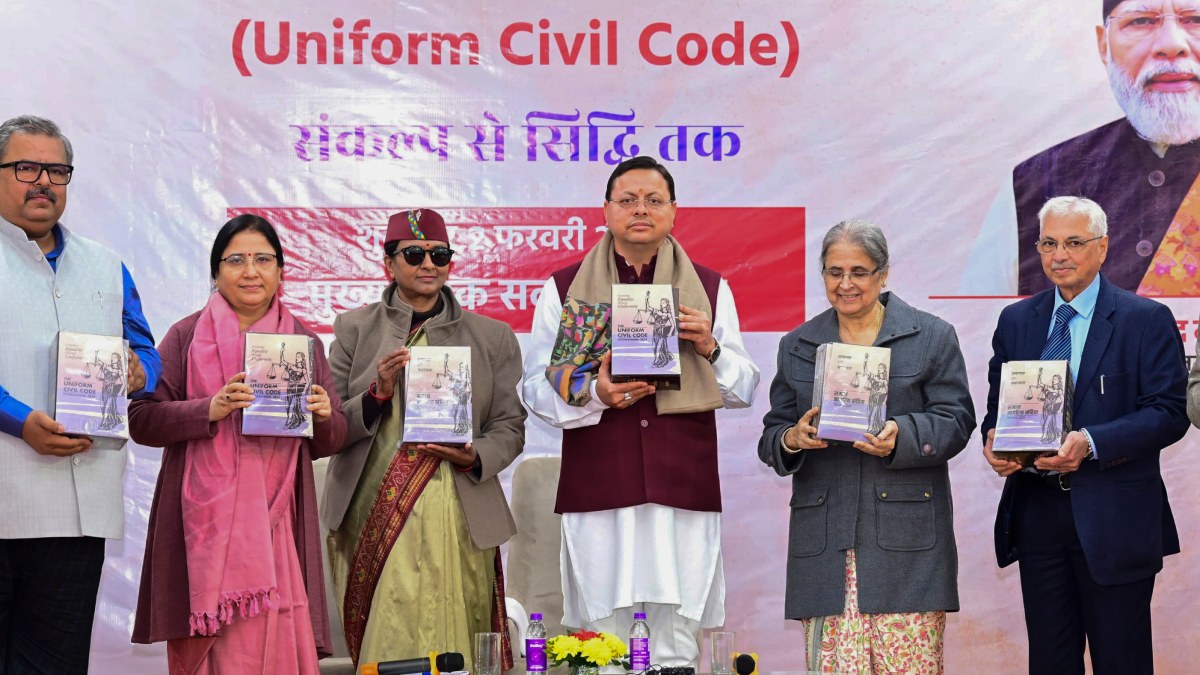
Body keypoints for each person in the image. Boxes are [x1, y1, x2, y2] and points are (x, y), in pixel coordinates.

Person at [521, 156, 760, 668]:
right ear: (606, 210)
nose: (640, 210)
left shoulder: (708, 289)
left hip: (682, 490)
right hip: (600, 489)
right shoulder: (565, 288)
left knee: (676, 641)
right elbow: (534, 388)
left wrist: (710, 347)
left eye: (654, 200)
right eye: (627, 200)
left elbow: (744, 387)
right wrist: (593, 393)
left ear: (674, 210)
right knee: (600, 642)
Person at [129, 214, 348, 674]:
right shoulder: (186, 336)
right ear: (216, 272)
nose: (251, 271)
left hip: (278, 527)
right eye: (236, 260)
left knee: (276, 643)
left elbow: (330, 441)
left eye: (263, 260)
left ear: (281, 271)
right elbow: (142, 420)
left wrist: (324, 416)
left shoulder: (302, 342)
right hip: (204, 532)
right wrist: (209, 409)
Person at [982, 196, 1189, 674]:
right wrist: (995, 442)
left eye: (1074, 242)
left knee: (1121, 661)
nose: (1060, 255)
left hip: (1115, 517)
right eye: (1049, 243)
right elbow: (997, 410)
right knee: (1051, 661)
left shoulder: (1145, 319)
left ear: (1103, 247)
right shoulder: (1017, 321)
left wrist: (1091, 442)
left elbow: (1168, 413)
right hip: (1037, 515)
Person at [758, 220, 976, 674]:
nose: (846, 284)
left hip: (907, 547)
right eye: (834, 272)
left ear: (883, 273)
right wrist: (792, 439)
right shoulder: (797, 345)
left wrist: (902, 434)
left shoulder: (931, 336)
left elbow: (957, 421)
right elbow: (773, 433)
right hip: (825, 551)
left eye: (859, 271)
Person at [321, 209, 525, 669]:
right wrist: (376, 393)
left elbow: (510, 426)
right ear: (388, 263)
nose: (428, 264)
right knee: (388, 632)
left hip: (461, 509)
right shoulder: (354, 329)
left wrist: (475, 455)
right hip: (372, 511)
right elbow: (329, 426)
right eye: (414, 254)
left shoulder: (491, 337)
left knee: (458, 635)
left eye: (440, 255)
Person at [0, 114, 162, 674]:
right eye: (26, 168)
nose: (43, 182)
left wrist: (138, 373)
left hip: (76, 510)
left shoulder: (106, 264)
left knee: (56, 664)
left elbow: (146, 351)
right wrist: (19, 420)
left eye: (57, 171)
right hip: (5, 489)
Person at [966, 0, 1200, 296]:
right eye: (1141, 21)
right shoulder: (1034, 183)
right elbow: (978, 315)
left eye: (1196, 20)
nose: (1171, 44)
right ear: (1104, 45)